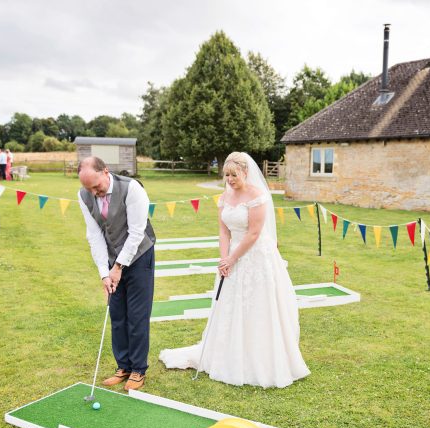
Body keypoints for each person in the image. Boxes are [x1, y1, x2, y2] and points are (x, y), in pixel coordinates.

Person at [159, 152, 310, 388]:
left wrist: (233, 258)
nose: (229, 179)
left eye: (233, 175)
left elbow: (253, 233)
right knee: (230, 305)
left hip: (255, 257)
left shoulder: (258, 197)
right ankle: (227, 355)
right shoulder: (223, 198)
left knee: (257, 306)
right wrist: (224, 259)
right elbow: (223, 231)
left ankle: (259, 359)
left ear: (245, 173)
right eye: (226, 175)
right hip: (231, 255)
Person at [78, 156, 156, 391]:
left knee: (137, 315)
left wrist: (119, 267)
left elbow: (136, 233)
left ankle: (138, 369)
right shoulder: (84, 195)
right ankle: (123, 366)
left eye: (97, 186)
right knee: (117, 314)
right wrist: (105, 273)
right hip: (112, 259)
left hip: (140, 255)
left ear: (105, 172)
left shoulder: (132, 189)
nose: (94, 192)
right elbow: (94, 235)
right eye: (88, 188)